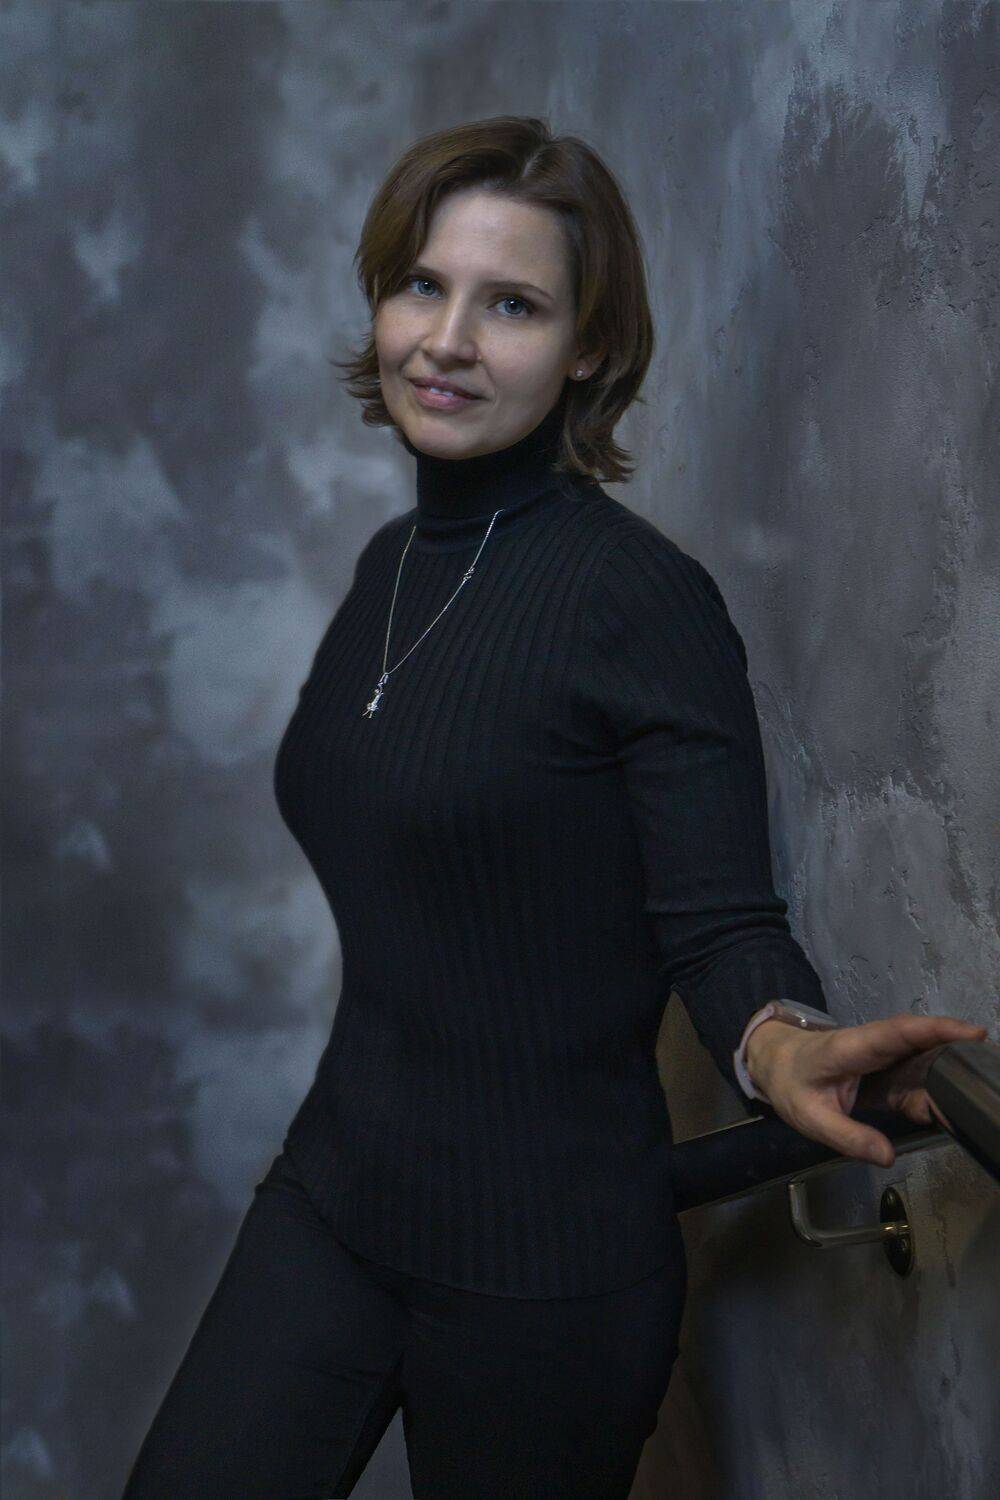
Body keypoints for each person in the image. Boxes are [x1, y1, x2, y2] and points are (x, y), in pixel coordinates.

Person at [122, 116, 987, 1500]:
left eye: (512, 304)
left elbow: (722, 926)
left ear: (591, 346)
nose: (447, 340)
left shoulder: (641, 600)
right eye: (423, 286)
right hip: (334, 1202)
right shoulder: (391, 566)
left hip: (548, 1283)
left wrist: (777, 1044)